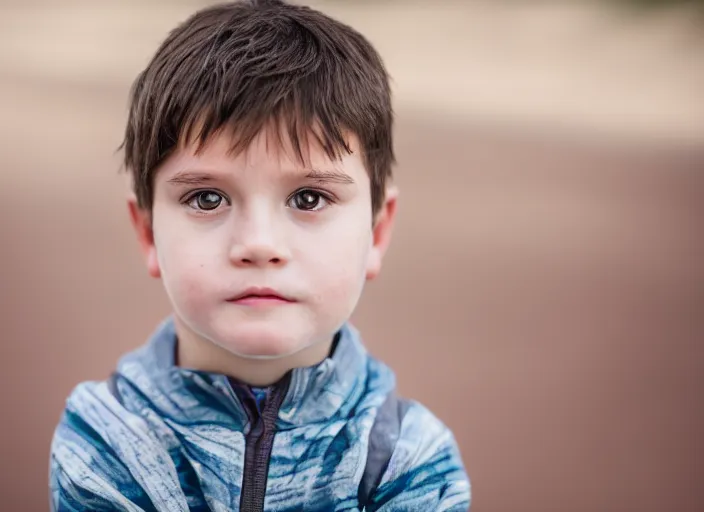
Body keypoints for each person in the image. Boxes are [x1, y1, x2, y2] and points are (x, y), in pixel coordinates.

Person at [49, 1, 470, 510]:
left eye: (309, 198)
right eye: (207, 198)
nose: (259, 244)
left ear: (376, 233)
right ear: (148, 233)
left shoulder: (408, 460)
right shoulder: (104, 440)